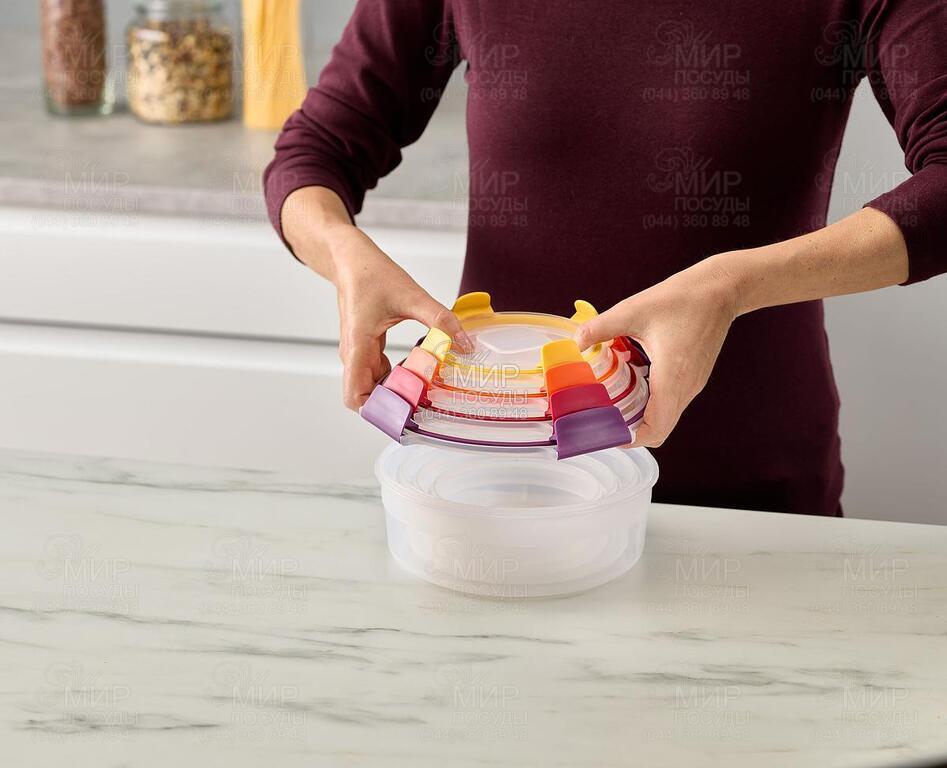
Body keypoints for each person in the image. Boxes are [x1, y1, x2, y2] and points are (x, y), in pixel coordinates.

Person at [263, 0, 947, 517]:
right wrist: (345, 257)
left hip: (745, 494)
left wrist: (730, 284)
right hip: (495, 487)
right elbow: (313, 152)